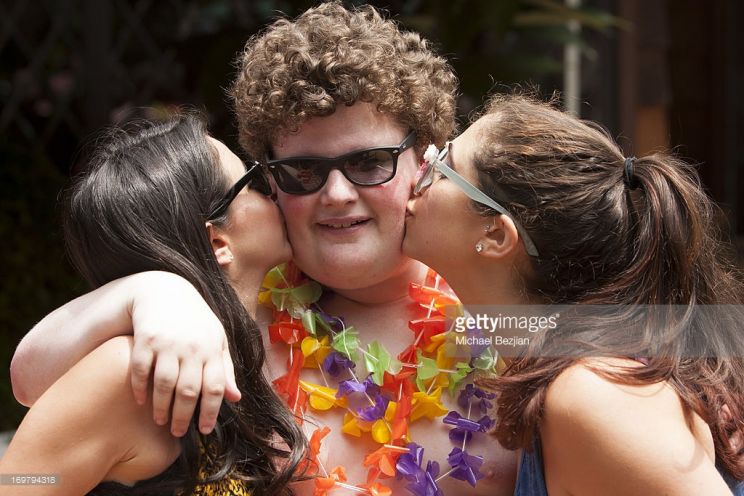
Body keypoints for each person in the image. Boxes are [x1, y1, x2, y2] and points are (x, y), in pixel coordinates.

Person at [12, 3, 519, 495]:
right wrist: (155, 292)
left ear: (424, 160)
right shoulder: (214, 327)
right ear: (273, 185)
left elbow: (594, 355)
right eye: (304, 171)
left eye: (369, 163)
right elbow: (29, 390)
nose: (337, 194)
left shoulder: (509, 308)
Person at [403, 92, 744, 495]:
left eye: (442, 166)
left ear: (495, 235)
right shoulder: (578, 374)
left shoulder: (591, 394)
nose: (417, 176)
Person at [1, 114, 306, 495]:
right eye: (254, 182)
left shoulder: (272, 328)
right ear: (218, 244)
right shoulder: (128, 372)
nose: (275, 192)